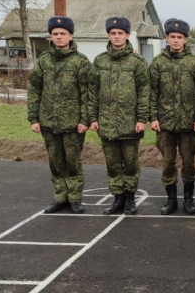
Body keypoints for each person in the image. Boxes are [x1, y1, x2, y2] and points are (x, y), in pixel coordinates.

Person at [27, 15, 91, 214]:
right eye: (55, 34)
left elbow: (87, 94)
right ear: (50, 36)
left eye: (63, 34)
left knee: (72, 162)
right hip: (48, 122)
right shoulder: (44, 62)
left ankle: (75, 198)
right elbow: (34, 90)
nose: (59, 37)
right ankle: (59, 196)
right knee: (55, 162)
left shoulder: (80, 62)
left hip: (73, 124)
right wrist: (33, 118)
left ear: (70, 35)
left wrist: (84, 119)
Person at [88, 17, 150, 215]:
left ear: (127, 35)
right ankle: (117, 198)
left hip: (130, 124)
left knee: (130, 164)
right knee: (113, 164)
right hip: (107, 123)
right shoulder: (99, 61)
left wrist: (142, 119)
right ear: (108, 35)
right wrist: (93, 118)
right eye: (113, 33)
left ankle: (130, 198)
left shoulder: (137, 62)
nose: (116, 37)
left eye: (120, 33)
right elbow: (92, 91)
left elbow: (144, 92)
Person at [149, 18, 195, 215]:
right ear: (167, 38)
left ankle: (188, 200)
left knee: (189, 163)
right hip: (165, 124)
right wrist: (153, 117)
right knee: (168, 163)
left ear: (185, 39)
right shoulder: (158, 62)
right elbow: (152, 92)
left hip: (188, 124)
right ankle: (171, 199)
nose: (175, 40)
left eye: (179, 37)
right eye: (172, 37)